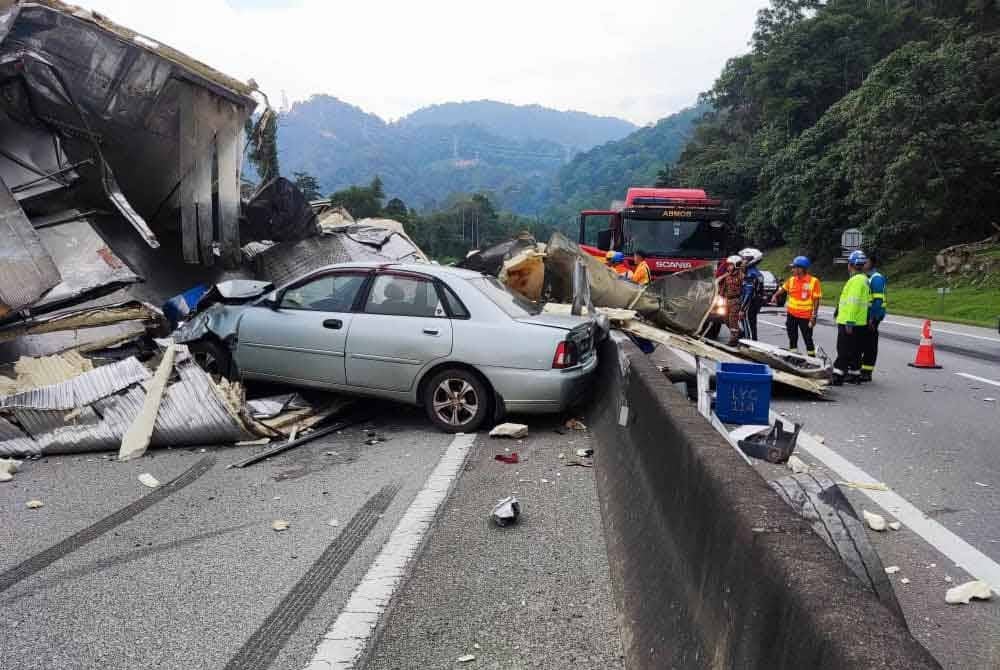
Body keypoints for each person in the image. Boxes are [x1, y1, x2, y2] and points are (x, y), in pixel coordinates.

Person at [770, 256, 822, 356]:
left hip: (805, 316)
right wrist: (775, 295)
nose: (792, 270)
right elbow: (783, 289)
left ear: (801, 269)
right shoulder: (792, 280)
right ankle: (793, 355)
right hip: (791, 315)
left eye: (794, 267)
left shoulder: (813, 281)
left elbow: (816, 299)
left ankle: (812, 357)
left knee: (807, 338)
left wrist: (814, 316)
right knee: (792, 336)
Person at [833, 250, 871, 386]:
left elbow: (853, 302)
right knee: (855, 349)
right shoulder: (864, 279)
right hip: (860, 322)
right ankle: (855, 374)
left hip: (849, 322)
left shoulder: (855, 281)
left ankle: (837, 375)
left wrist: (849, 321)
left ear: (851, 265)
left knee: (843, 349)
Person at [860, 255, 886, 382]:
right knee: (863, 343)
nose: (863, 263)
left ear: (872, 263)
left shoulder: (876, 279)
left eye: (865, 262)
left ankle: (867, 372)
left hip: (873, 316)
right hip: (866, 315)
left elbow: (878, 300)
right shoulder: (866, 278)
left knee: (870, 345)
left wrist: (873, 318)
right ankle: (861, 369)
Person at [739, 247, 765, 340]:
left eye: (745, 258)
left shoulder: (751, 274)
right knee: (752, 322)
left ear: (751, 260)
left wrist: (742, 308)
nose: (742, 261)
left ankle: (748, 341)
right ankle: (754, 340)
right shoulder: (755, 272)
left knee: (746, 319)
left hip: (751, 302)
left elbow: (748, 293)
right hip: (755, 301)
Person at [719, 254, 745, 346]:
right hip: (727, 300)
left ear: (736, 265)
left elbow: (744, 290)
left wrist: (742, 305)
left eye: (730, 265)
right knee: (726, 319)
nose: (728, 267)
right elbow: (723, 288)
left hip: (736, 301)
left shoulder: (742, 276)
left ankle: (733, 340)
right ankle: (740, 333)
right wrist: (720, 296)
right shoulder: (727, 276)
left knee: (733, 320)